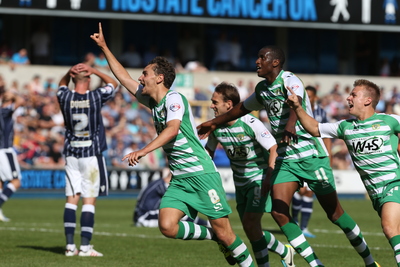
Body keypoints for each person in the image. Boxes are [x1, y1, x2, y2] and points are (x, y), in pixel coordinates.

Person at [197, 45, 380, 267]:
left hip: (311, 154)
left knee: (335, 215)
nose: (256, 61)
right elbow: (241, 108)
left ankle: (370, 262)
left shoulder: (289, 79)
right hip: (286, 159)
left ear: (275, 62)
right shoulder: (262, 89)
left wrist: (291, 124)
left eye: (261, 57)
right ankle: (315, 264)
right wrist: (213, 122)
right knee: (278, 212)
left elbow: (296, 101)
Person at [90, 22, 255, 266]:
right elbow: (123, 77)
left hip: (201, 173)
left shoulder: (174, 98)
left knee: (226, 232)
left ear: (159, 78)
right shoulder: (152, 102)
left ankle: (237, 252)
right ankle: (216, 238)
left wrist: (143, 150)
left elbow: (172, 129)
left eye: (145, 73)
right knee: (167, 226)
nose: (140, 77)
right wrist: (104, 47)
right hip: (180, 179)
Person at [287, 79, 399, 267]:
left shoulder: (389, 121)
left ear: (367, 100)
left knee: (389, 228)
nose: (348, 98)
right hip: (375, 194)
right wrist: (298, 108)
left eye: (354, 95)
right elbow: (314, 128)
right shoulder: (345, 127)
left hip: (394, 184)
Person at [205, 82, 295, 267]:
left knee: (250, 223)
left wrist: (269, 175)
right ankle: (285, 251)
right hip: (240, 183)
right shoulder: (216, 127)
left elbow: (273, 147)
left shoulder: (250, 122)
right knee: (251, 228)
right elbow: (209, 154)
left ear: (228, 104)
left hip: (258, 180)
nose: (211, 105)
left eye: (215, 102)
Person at [57, 63, 118, 257]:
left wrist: (70, 72)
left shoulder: (64, 96)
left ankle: (69, 247)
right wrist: (96, 70)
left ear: (73, 78)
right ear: (89, 79)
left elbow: (61, 84)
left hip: (72, 154)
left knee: (71, 201)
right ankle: (84, 247)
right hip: (90, 155)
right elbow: (113, 83)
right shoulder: (95, 96)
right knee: (89, 202)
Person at [291, 85, 332, 238]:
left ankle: (304, 227)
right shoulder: (295, 110)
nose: (307, 98)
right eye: (305, 95)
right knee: (300, 190)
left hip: (316, 154)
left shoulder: (321, 113)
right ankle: (294, 221)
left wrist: (328, 156)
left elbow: (326, 135)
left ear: (315, 98)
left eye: (310, 96)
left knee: (309, 192)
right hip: (299, 154)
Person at [134, 168, 210, 228]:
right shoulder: (161, 186)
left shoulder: (158, 183)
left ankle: (205, 223)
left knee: (176, 214)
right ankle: (206, 223)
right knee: (178, 213)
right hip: (144, 217)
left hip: (141, 215)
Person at [0, 90, 25, 222]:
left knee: (1, 182)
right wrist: (13, 93)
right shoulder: (5, 111)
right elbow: (21, 101)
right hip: (5, 151)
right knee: (16, 181)